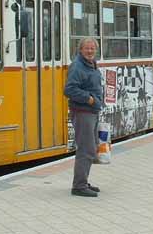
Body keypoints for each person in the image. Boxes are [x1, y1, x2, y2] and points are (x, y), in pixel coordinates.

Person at [63, 37, 104, 198]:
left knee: (91, 147)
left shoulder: (91, 64)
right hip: (83, 111)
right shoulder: (77, 66)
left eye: (92, 48)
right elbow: (69, 90)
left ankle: (83, 181)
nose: (90, 51)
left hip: (91, 111)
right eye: (87, 48)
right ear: (80, 50)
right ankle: (79, 186)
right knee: (85, 149)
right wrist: (90, 99)